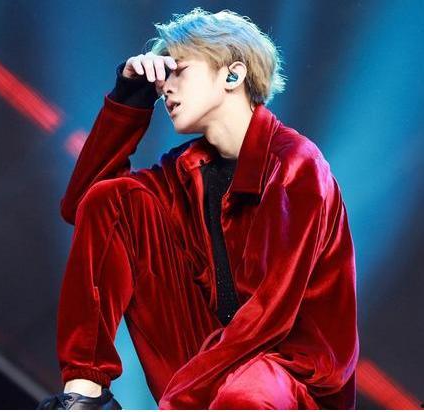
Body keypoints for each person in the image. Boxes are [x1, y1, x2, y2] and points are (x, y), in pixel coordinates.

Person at [37, 7, 359, 410]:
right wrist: (130, 98)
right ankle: (86, 396)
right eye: (163, 77)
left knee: (247, 391)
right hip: (206, 365)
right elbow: (87, 206)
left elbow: (268, 316)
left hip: (286, 376)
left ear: (232, 75)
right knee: (113, 198)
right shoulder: (185, 170)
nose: (165, 88)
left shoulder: (295, 165)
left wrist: (177, 403)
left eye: (179, 71)